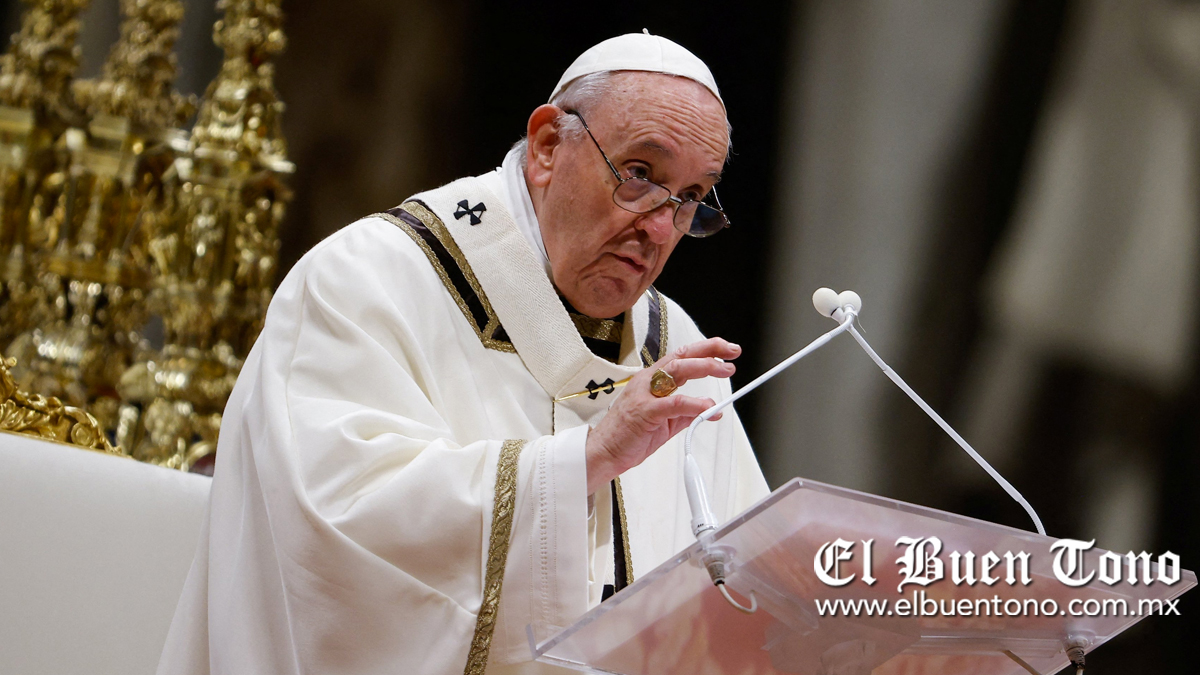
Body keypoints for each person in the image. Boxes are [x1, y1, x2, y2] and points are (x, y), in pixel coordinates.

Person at [157, 32, 770, 675]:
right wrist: (582, 462)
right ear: (547, 145)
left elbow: (746, 584)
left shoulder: (676, 351)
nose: (660, 227)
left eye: (690, 198)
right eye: (640, 175)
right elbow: (325, 530)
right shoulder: (366, 279)